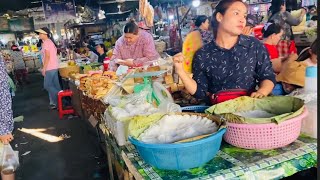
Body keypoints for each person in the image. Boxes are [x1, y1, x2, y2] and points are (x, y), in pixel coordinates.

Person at [173, 0, 276, 103]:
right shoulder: (203, 54)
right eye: (236, 13)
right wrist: (180, 71)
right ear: (220, 17)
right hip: (217, 113)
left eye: (244, 16)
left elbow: (268, 76)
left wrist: (262, 92)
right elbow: (200, 92)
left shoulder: (254, 46)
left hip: (249, 110)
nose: (242, 20)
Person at [35, 27, 61, 109]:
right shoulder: (50, 42)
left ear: (44, 34)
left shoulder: (46, 42)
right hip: (54, 66)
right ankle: (60, 103)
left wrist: (44, 68)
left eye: (40, 33)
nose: (39, 35)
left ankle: (61, 97)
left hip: (50, 68)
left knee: (47, 85)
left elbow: (47, 56)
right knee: (56, 85)